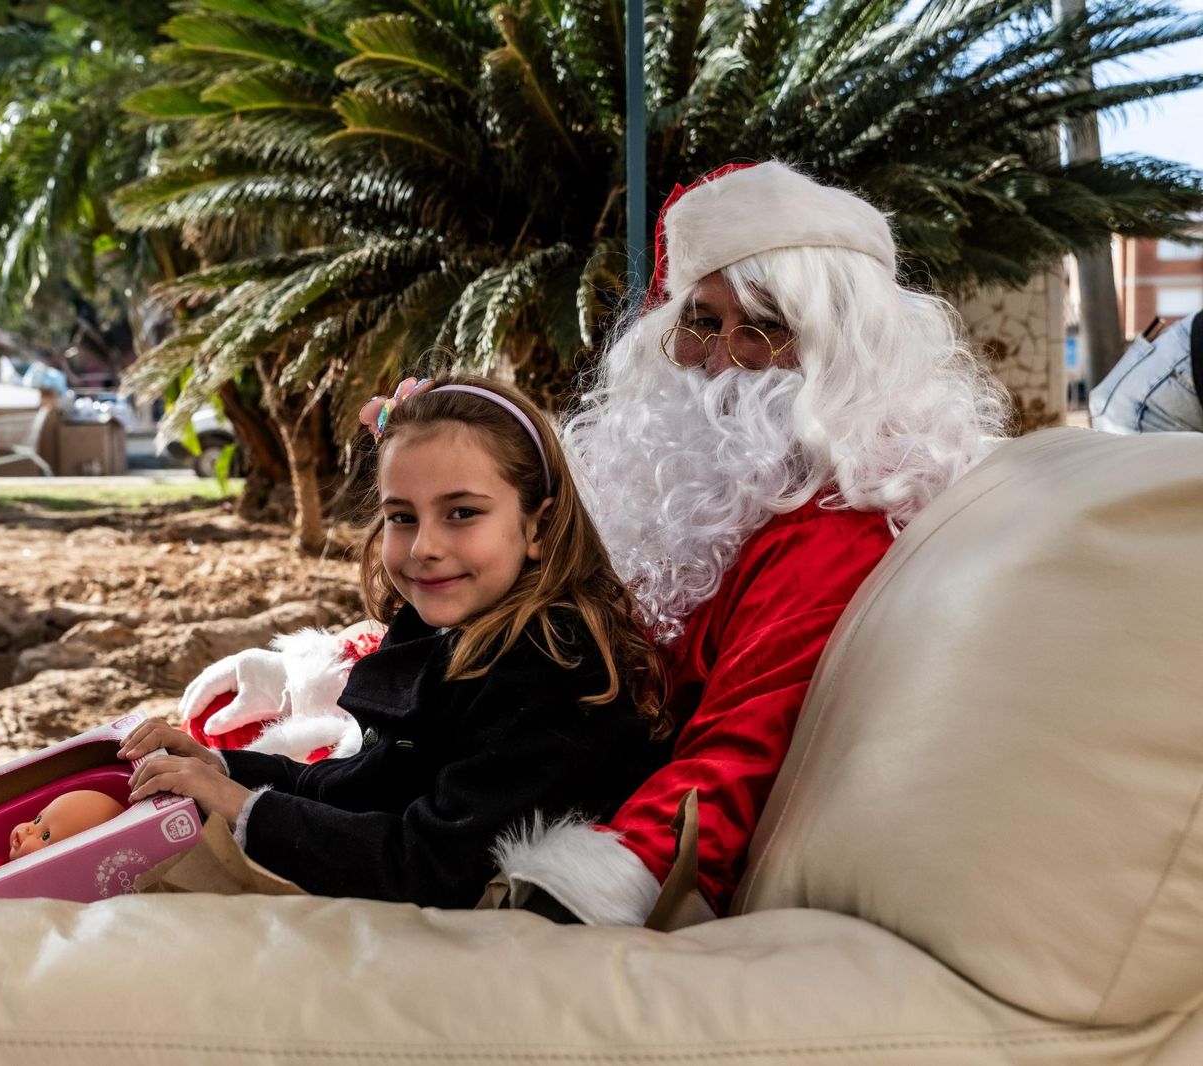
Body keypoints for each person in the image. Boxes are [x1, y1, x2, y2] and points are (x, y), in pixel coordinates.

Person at [174, 161, 1010, 926]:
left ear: (839, 344)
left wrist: (609, 874)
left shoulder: (829, 536)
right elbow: (500, 606)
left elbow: (738, 744)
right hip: (467, 779)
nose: (719, 360)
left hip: (510, 815)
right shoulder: (676, 478)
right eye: (701, 322)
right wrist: (320, 669)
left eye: (761, 328)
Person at [118, 376, 668, 908]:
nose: (424, 546)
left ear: (538, 528)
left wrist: (244, 809)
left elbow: (432, 868)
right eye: (402, 517)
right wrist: (226, 770)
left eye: (462, 513)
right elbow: (366, 787)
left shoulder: (554, 664)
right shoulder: (444, 629)